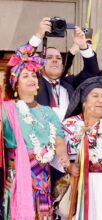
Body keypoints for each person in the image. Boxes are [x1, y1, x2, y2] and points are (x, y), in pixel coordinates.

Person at [2, 40, 69, 219]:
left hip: (43, 178)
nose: (31, 79)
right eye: (25, 76)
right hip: (17, 176)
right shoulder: (6, 109)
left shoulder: (48, 112)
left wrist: (63, 155)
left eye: (33, 75)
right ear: (15, 83)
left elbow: (59, 139)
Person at [62, 76, 102, 220]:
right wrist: (69, 167)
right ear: (84, 101)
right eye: (95, 96)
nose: (101, 100)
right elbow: (58, 156)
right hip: (80, 185)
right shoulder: (69, 125)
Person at [31, 17, 99, 120]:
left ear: (63, 66)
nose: (55, 60)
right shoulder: (33, 83)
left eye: (58, 58)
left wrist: (83, 47)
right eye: (49, 57)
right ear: (40, 64)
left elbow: (92, 73)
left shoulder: (70, 83)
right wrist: (38, 35)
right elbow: (21, 60)